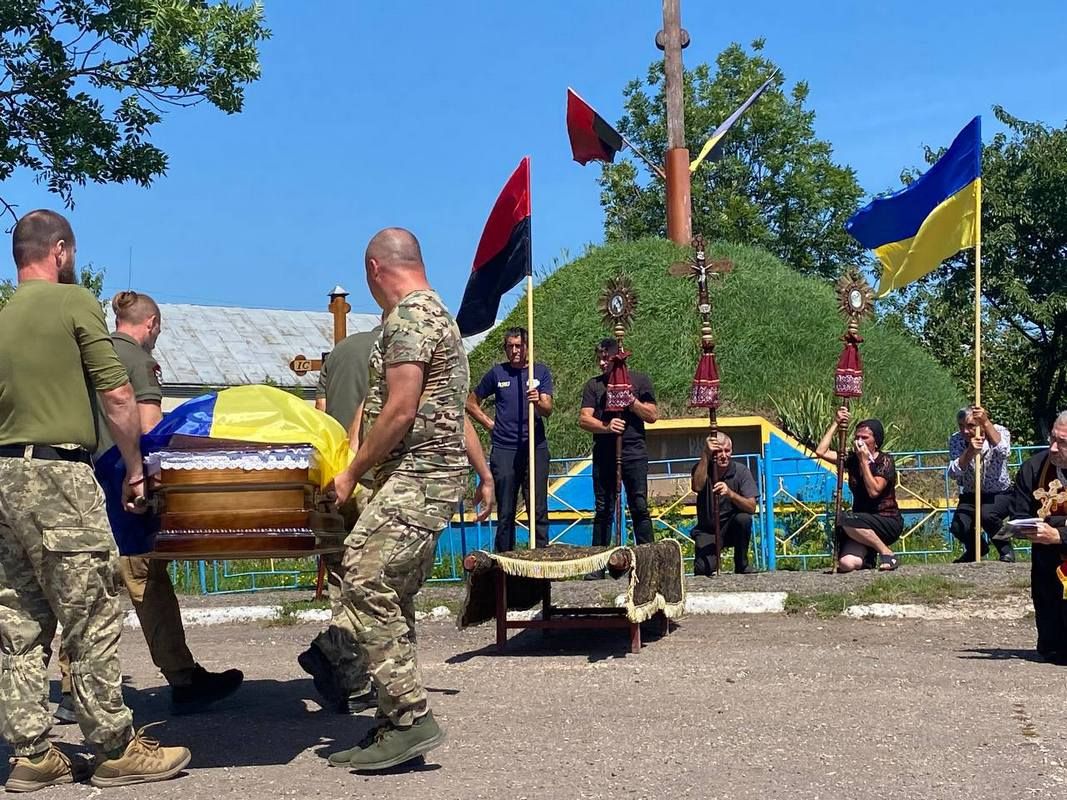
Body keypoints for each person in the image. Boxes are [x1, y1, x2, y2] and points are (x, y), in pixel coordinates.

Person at [0, 210, 189, 791]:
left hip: (3, 480)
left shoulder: (2, 314)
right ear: (59, 250)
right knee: (90, 614)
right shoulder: (75, 302)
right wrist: (133, 468)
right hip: (60, 477)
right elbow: (117, 392)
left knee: (18, 623)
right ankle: (114, 748)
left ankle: (32, 753)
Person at [326, 228, 492, 771]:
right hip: (427, 476)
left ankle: (410, 716)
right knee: (392, 593)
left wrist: (351, 472)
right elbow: (439, 409)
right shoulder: (438, 315)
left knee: (362, 575)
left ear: (375, 269)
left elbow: (400, 409)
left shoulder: (409, 319)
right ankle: (392, 721)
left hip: (419, 476)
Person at [54, 290, 243, 724]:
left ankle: (71, 689)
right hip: (125, 481)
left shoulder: (87, 354)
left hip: (82, 482)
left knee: (85, 588)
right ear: (151, 323)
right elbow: (150, 429)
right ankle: (183, 680)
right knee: (146, 580)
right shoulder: (137, 360)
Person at [301, 324, 381, 715]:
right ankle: (340, 657)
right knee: (375, 581)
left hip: (333, 480)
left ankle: (346, 672)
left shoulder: (336, 355)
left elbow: (319, 416)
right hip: (371, 478)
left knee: (339, 575)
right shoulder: (398, 349)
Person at [466, 326, 554, 551]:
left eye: (519, 346)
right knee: (506, 510)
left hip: (534, 446)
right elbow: (471, 402)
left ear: (527, 347)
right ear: (505, 349)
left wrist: (538, 400)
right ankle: (505, 559)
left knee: (538, 507)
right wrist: (490, 424)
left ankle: (540, 556)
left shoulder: (539, 372)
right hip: (505, 448)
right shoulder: (497, 373)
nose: (515, 350)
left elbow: (548, 409)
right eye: (510, 346)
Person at [579, 338, 658, 579]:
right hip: (605, 454)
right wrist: (606, 426)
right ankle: (597, 566)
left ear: (617, 357)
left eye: (606, 358)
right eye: (599, 359)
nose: (602, 363)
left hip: (634, 452)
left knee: (639, 506)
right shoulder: (594, 386)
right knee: (603, 508)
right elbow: (584, 419)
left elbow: (652, 415)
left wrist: (631, 401)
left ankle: (648, 563)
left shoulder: (639, 381)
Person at [1001, 410, 1067, 664]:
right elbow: (1020, 512)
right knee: (1052, 647)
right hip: (1047, 561)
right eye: (1052, 438)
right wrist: (1031, 529)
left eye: (1062, 442)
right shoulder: (1033, 468)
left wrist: (1058, 534)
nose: (1053, 448)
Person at [815, 408, 903, 572]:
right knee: (847, 564)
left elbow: (874, 491)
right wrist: (836, 423)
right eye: (857, 437)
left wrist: (864, 462)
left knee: (844, 519)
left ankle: (887, 554)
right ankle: (868, 557)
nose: (859, 441)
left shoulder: (885, 461)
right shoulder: (852, 459)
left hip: (886, 520)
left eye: (864, 438)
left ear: (876, 441)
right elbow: (821, 451)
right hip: (859, 523)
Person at [947, 406, 1015, 562]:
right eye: (961, 426)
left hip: (999, 492)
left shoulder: (999, 431)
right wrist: (970, 451)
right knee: (959, 526)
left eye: (970, 426)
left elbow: (1004, 451)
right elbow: (953, 472)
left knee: (987, 515)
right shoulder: (956, 440)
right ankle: (976, 549)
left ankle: (1006, 549)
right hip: (971, 492)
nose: (965, 431)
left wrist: (986, 423)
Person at [690, 432, 759, 575]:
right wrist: (705, 454)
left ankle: (741, 564)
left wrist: (731, 494)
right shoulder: (702, 468)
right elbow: (696, 486)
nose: (723, 455)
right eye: (718, 451)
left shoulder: (741, 471)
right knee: (702, 569)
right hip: (708, 530)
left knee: (744, 519)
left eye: (727, 451)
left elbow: (752, 507)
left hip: (731, 528)